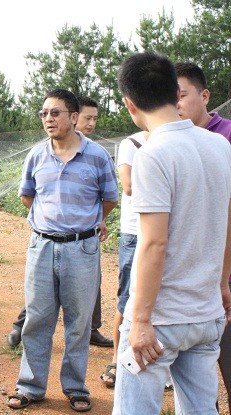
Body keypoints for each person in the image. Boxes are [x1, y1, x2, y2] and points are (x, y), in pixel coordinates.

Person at [112, 50, 231, 415]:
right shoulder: (220, 146)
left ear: (130, 104)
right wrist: (223, 284)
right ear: (174, 92)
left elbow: (154, 243)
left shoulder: (152, 152)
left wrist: (142, 320)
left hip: (160, 321)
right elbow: (227, 222)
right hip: (206, 314)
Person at [6, 88, 118, 412]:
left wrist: (90, 222)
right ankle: (30, 386)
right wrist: (49, 222)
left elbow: (110, 198)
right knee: (38, 318)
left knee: (79, 322)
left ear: (72, 117)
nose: (48, 119)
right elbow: (27, 196)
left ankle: (75, 387)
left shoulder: (97, 156)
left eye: (55, 113)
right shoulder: (36, 155)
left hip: (82, 249)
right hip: (41, 246)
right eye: (44, 113)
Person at [175, 61, 231, 412]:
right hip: (189, 282)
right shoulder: (167, 139)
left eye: (181, 95)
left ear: (204, 95)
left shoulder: (225, 137)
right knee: (198, 379)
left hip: (222, 273)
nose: (175, 104)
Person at [99, 130, 149, 388]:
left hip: (167, 232)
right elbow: (128, 186)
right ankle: (118, 359)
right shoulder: (132, 143)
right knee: (127, 297)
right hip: (134, 232)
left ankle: (153, 362)